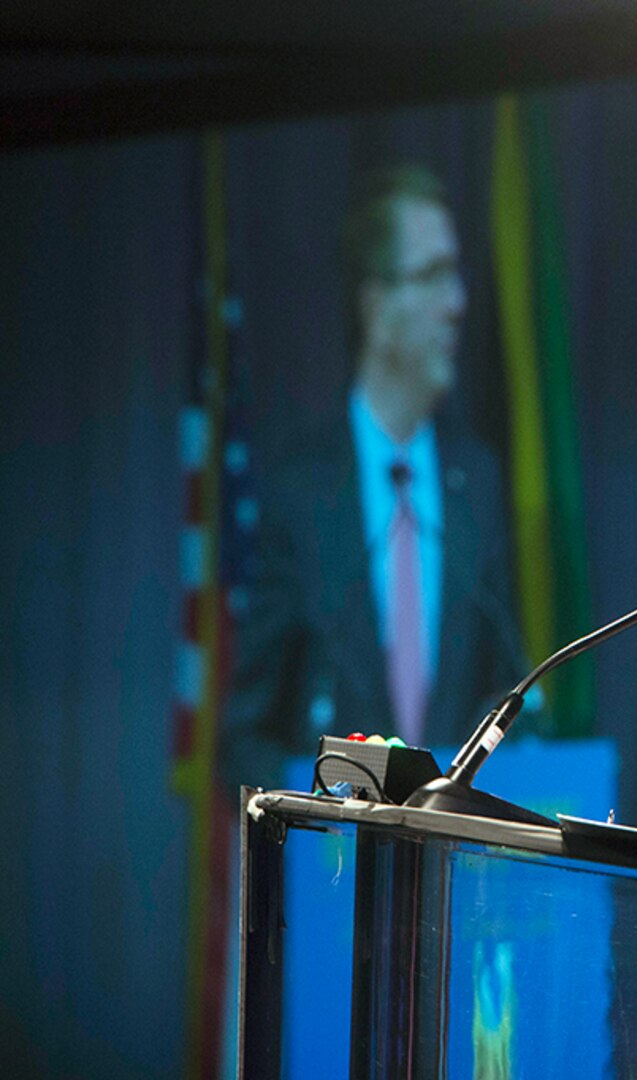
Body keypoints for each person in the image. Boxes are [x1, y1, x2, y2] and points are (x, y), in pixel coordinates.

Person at [222, 164, 530, 789]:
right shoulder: (302, 495)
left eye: (457, 275)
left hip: (452, 869)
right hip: (336, 870)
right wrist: (304, 808)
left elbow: (510, 695)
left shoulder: (479, 485)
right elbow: (244, 734)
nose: (458, 304)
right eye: (434, 275)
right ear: (376, 305)